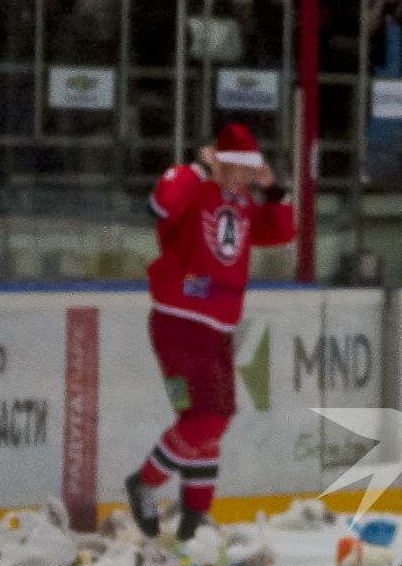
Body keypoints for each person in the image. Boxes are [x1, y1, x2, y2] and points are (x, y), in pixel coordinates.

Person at [125, 124, 295, 542]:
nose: (245, 176)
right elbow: (160, 207)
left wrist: (275, 191)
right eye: (239, 166)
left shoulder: (240, 202)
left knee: (211, 422)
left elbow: (281, 232)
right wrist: (201, 171)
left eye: (250, 168)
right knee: (206, 420)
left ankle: (195, 515)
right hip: (179, 323)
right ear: (220, 159)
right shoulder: (190, 183)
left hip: (218, 329)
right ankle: (145, 482)